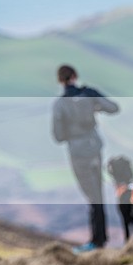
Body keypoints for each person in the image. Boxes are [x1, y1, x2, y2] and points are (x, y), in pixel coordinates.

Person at [51, 65, 119, 253]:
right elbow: (113, 108)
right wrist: (95, 106)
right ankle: (100, 238)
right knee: (98, 193)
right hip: (94, 147)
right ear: (75, 76)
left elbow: (58, 136)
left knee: (92, 196)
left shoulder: (60, 104)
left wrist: (72, 129)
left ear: (60, 80)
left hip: (78, 151)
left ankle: (97, 241)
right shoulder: (89, 94)